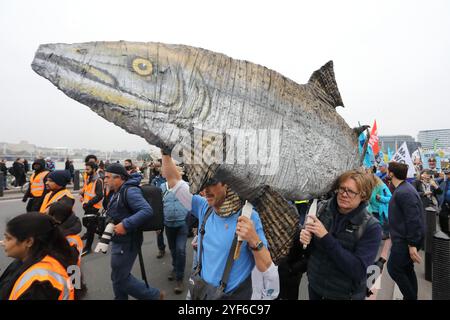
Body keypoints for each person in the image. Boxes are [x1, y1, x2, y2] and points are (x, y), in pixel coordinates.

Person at [162, 151, 274, 300]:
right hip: (201, 290)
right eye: (203, 184)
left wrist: (254, 240)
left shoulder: (247, 216)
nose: (205, 191)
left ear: (226, 184)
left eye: (212, 183)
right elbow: (174, 180)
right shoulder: (204, 207)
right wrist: (165, 153)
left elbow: (266, 267)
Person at [299, 170, 382, 300]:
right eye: (342, 189)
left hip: (344, 295)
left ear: (363, 195)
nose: (344, 194)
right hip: (315, 287)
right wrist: (305, 238)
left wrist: (326, 238)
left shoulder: (371, 227)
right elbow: (312, 252)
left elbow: (359, 270)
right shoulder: (322, 209)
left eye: (351, 191)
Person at [104, 163, 163, 300]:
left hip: (128, 241)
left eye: (107, 177)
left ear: (118, 178)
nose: (105, 180)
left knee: (120, 278)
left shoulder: (129, 190)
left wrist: (125, 224)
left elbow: (146, 210)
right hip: (120, 240)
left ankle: (154, 296)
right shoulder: (118, 191)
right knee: (118, 274)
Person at [0, 212, 78, 300]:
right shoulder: (27, 260)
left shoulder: (40, 284)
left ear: (29, 242)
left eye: (8, 238)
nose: (2, 243)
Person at [386, 162, 425, 300]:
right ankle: (411, 296)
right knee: (406, 269)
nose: (386, 171)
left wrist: (412, 244)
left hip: (404, 241)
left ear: (391, 173)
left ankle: (410, 297)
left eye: (388, 170)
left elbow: (413, 219)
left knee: (394, 268)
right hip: (404, 239)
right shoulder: (402, 188)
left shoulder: (404, 192)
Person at [160, 175, 190, 294]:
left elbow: (193, 203)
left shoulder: (186, 186)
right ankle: (175, 267)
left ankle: (179, 279)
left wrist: (194, 224)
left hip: (182, 224)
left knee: (181, 250)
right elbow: (159, 206)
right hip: (168, 225)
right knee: (173, 249)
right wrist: (158, 225)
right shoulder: (162, 187)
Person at [79, 162, 104, 256]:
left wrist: (88, 204)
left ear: (94, 169)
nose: (86, 171)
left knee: (89, 227)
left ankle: (88, 248)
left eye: (88, 169)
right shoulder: (89, 178)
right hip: (87, 205)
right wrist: (82, 194)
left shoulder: (98, 180)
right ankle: (100, 229)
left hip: (93, 207)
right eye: (86, 169)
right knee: (86, 223)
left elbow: (99, 195)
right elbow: (87, 190)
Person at [150, 160, 167, 259]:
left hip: (169, 209)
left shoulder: (172, 180)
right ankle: (161, 248)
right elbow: (151, 195)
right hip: (159, 210)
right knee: (159, 231)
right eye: (160, 167)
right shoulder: (155, 180)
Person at [368, 174, 392, 240]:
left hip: (382, 210)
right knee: (374, 224)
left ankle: (386, 234)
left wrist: (381, 198)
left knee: (384, 223)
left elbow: (390, 198)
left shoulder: (382, 186)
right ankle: (376, 235)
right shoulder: (369, 186)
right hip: (372, 210)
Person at [438, 169, 450, 233]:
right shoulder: (444, 180)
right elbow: (435, 181)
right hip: (446, 203)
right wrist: (442, 177)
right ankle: (445, 232)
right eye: (447, 174)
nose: (448, 175)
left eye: (449, 173)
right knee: (442, 215)